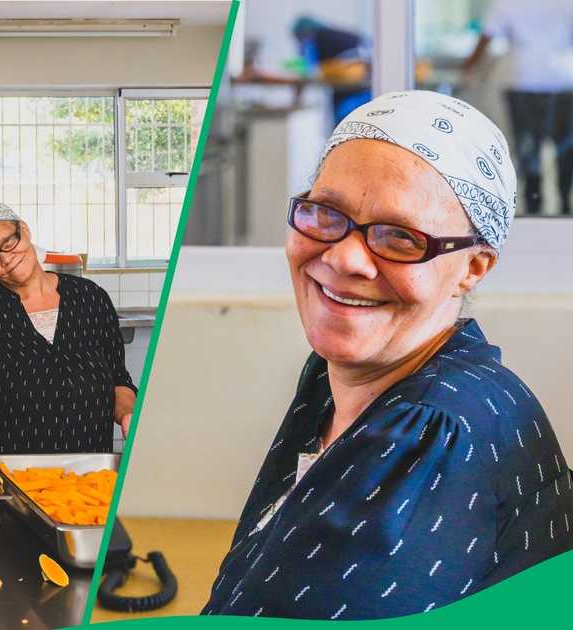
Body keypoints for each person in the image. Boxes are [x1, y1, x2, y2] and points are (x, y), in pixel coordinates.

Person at [202, 91, 573, 620]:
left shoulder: (429, 433)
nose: (345, 257)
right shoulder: (339, 379)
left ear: (474, 267)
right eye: (326, 213)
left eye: (400, 237)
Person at [0, 202, 136, 458]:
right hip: (11, 479)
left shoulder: (90, 299)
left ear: (24, 230)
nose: (6, 259)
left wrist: (129, 416)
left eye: (8, 242)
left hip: (88, 476)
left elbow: (119, 380)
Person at [461, 0, 573, 214]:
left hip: (524, 80)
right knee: (565, 150)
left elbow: (487, 37)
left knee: (528, 150)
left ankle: (533, 206)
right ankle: (565, 207)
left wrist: (466, 68)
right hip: (563, 80)